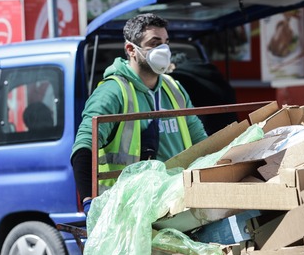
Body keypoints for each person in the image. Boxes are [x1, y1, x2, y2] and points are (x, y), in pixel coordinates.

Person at [71, 13, 208, 215]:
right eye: (154, 43)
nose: (164, 50)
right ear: (131, 50)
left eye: (166, 42)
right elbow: (84, 147)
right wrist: (89, 201)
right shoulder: (113, 92)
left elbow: (201, 142)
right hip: (129, 208)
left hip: (178, 202)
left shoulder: (174, 88)